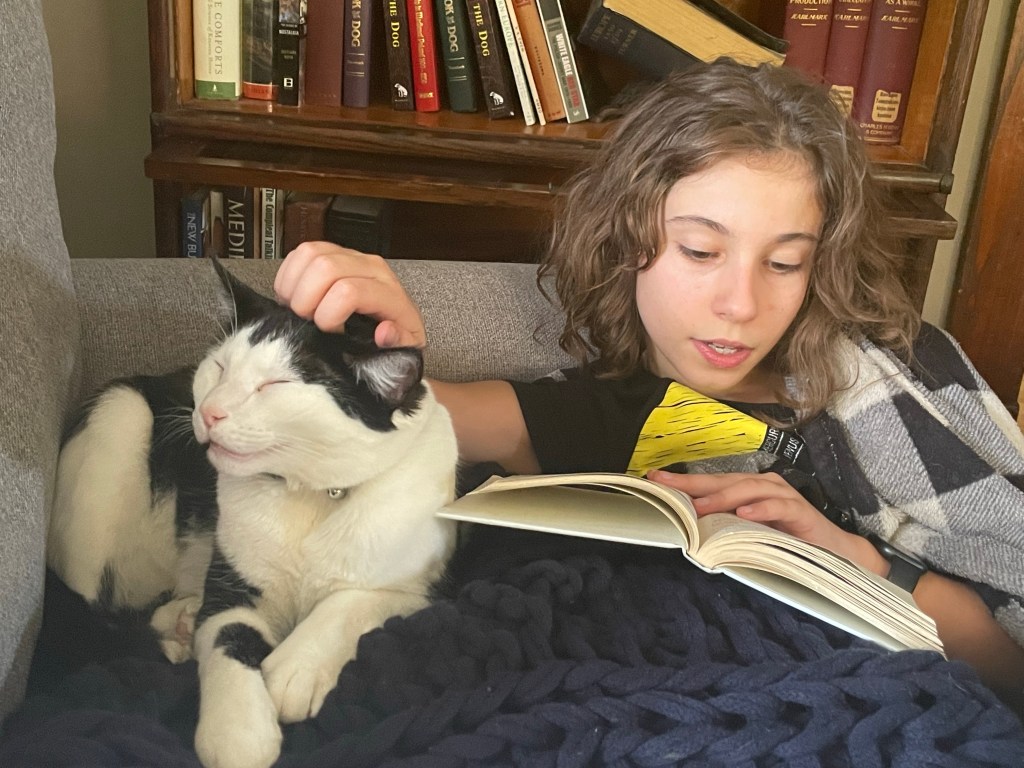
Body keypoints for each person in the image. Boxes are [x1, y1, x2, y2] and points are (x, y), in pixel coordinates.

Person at [273, 59, 1024, 696]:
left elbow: (1012, 667)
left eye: (784, 262)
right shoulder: (605, 412)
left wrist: (859, 563)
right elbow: (376, 422)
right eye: (700, 251)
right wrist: (379, 341)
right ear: (630, 236)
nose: (740, 305)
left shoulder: (902, 368)